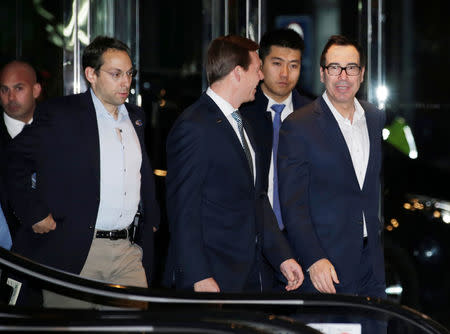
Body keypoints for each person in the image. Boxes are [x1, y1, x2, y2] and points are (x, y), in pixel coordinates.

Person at [6, 36, 160, 307]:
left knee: (135, 326)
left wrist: (152, 217)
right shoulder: (62, 114)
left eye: (129, 73)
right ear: (91, 74)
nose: (126, 82)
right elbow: (12, 160)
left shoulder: (136, 117)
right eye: (116, 74)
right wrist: (34, 212)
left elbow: (140, 173)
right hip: (76, 251)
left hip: (128, 251)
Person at [164, 35, 304, 293]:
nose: (261, 77)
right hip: (211, 278)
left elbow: (257, 199)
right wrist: (198, 275)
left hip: (247, 276)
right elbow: (183, 208)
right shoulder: (194, 125)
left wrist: (282, 257)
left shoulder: (242, 123)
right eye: (257, 69)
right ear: (238, 73)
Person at [278, 35, 386, 298]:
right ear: (322, 74)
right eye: (334, 68)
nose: (343, 77)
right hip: (326, 269)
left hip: (371, 264)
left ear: (361, 74)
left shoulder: (373, 117)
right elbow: (293, 204)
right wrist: (314, 259)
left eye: (351, 68)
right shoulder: (298, 125)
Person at [0, 61, 42, 244]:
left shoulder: (54, 130)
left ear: (36, 90)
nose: (10, 97)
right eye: (4, 90)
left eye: (18, 88)